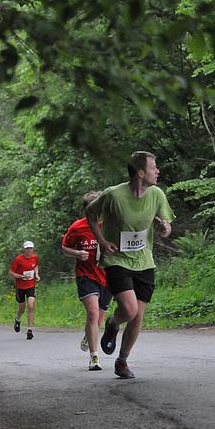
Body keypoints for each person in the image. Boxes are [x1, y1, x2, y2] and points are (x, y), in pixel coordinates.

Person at [85, 151, 174, 379]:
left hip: (144, 260)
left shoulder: (157, 194)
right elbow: (90, 213)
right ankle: (113, 323)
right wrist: (102, 241)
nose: (158, 171)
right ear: (141, 173)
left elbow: (166, 224)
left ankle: (122, 361)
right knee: (130, 309)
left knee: (137, 316)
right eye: (154, 168)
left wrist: (164, 228)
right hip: (117, 259)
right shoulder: (113, 195)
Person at [62, 191, 112, 371]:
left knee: (98, 319)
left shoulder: (110, 225)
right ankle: (94, 357)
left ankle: (89, 335)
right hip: (86, 275)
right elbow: (64, 247)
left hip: (108, 276)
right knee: (92, 313)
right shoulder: (77, 227)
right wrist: (77, 253)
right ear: (87, 210)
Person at [9, 241, 40, 340]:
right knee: (22, 309)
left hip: (31, 285)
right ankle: (17, 319)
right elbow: (11, 272)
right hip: (20, 287)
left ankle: (29, 330)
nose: (29, 250)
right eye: (27, 248)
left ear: (33, 249)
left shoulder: (35, 257)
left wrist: (36, 274)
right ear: (24, 249)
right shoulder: (19, 259)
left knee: (31, 305)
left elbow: (36, 266)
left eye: (30, 248)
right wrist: (21, 276)